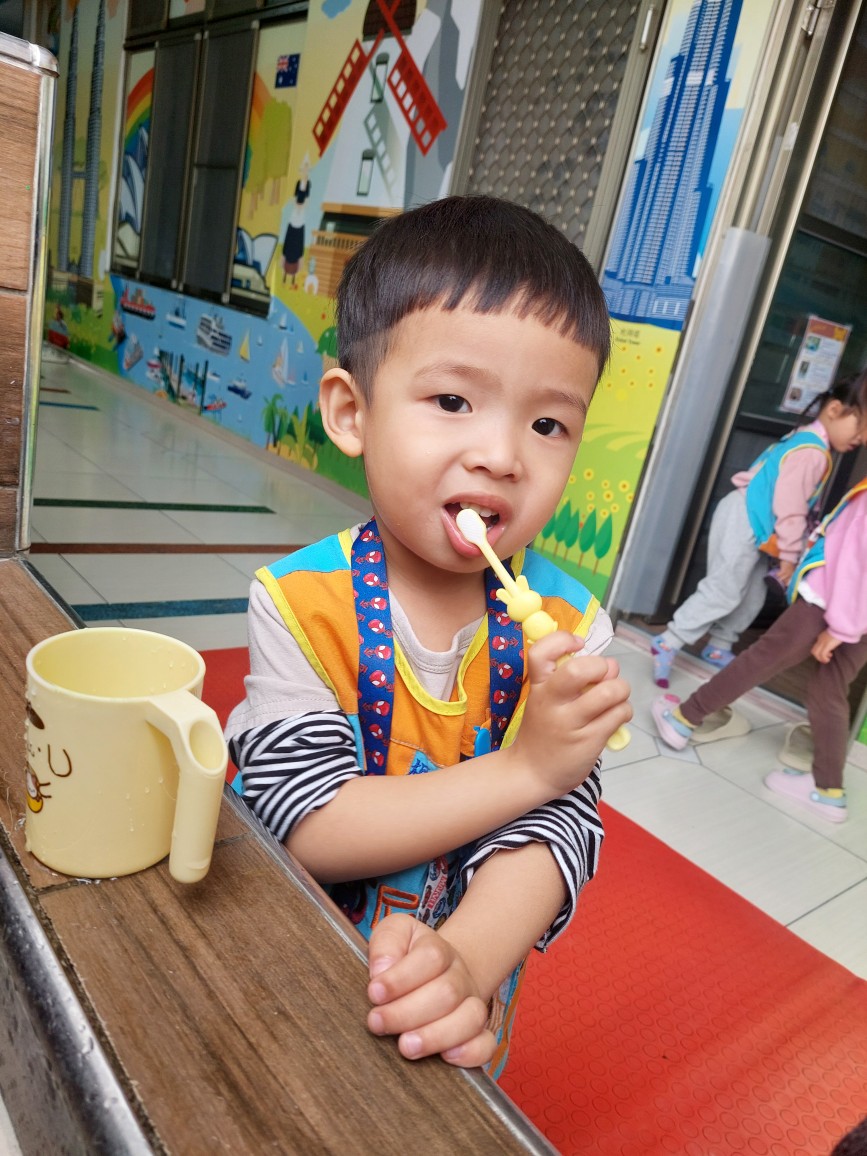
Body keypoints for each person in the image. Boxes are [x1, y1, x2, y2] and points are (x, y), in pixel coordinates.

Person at [225, 195, 632, 1077]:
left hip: (451, 1014)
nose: (502, 455)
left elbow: (559, 830)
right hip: (291, 963)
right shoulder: (300, 604)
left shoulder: (572, 628)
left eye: (547, 424)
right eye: (452, 400)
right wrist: (527, 768)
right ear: (351, 412)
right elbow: (308, 818)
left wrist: (467, 966)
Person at [652, 473, 867, 824]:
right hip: (859, 618)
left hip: (828, 604)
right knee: (830, 691)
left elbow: (855, 563)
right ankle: (828, 791)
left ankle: (684, 718)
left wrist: (842, 627)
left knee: (761, 660)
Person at [651, 373, 867, 687]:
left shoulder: (808, 440)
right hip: (745, 518)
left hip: (759, 527)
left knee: (753, 595)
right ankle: (669, 640)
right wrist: (790, 557)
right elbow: (790, 508)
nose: (861, 436)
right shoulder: (812, 452)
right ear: (834, 410)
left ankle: (719, 645)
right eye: (860, 423)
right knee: (725, 589)